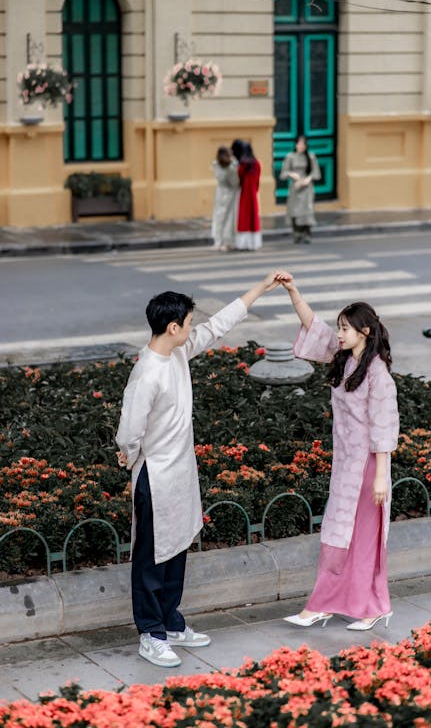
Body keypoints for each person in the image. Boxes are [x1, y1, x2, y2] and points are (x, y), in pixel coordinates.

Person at [116, 272, 279, 667]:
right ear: (172, 327)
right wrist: (128, 456)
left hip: (180, 475)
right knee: (151, 559)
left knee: (175, 551)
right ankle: (150, 633)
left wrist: (260, 288)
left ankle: (171, 622)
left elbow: (219, 324)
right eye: (188, 323)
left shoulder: (176, 353)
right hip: (154, 477)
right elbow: (128, 432)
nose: (194, 328)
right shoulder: (148, 373)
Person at [275, 272, 399, 631]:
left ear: (365, 333)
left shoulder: (378, 375)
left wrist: (379, 479)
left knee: (356, 539)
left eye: (345, 328)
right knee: (341, 535)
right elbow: (312, 325)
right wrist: (294, 291)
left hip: (367, 469)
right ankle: (345, 605)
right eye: (339, 327)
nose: (339, 333)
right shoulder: (345, 359)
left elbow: (384, 429)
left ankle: (346, 605)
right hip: (347, 464)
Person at [280, 135, 321, 244]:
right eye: (299, 144)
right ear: (295, 144)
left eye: (303, 144)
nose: (301, 146)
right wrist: (291, 174)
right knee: (294, 210)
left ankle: (307, 233)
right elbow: (283, 173)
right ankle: (297, 233)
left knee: (307, 210)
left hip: (307, 187)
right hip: (295, 187)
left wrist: (309, 178)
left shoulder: (311, 157)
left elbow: (316, 172)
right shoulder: (290, 157)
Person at [231, 139, 262, 251]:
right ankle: (254, 243)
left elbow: (237, 179)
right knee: (253, 218)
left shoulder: (242, 165)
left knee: (242, 219)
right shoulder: (256, 163)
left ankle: (242, 243)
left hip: (243, 193)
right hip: (253, 193)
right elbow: (258, 180)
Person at [211, 145, 239, 251]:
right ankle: (227, 242)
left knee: (218, 217)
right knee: (229, 219)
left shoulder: (216, 165)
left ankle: (217, 242)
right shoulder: (232, 167)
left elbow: (219, 178)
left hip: (220, 193)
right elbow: (234, 182)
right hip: (230, 194)